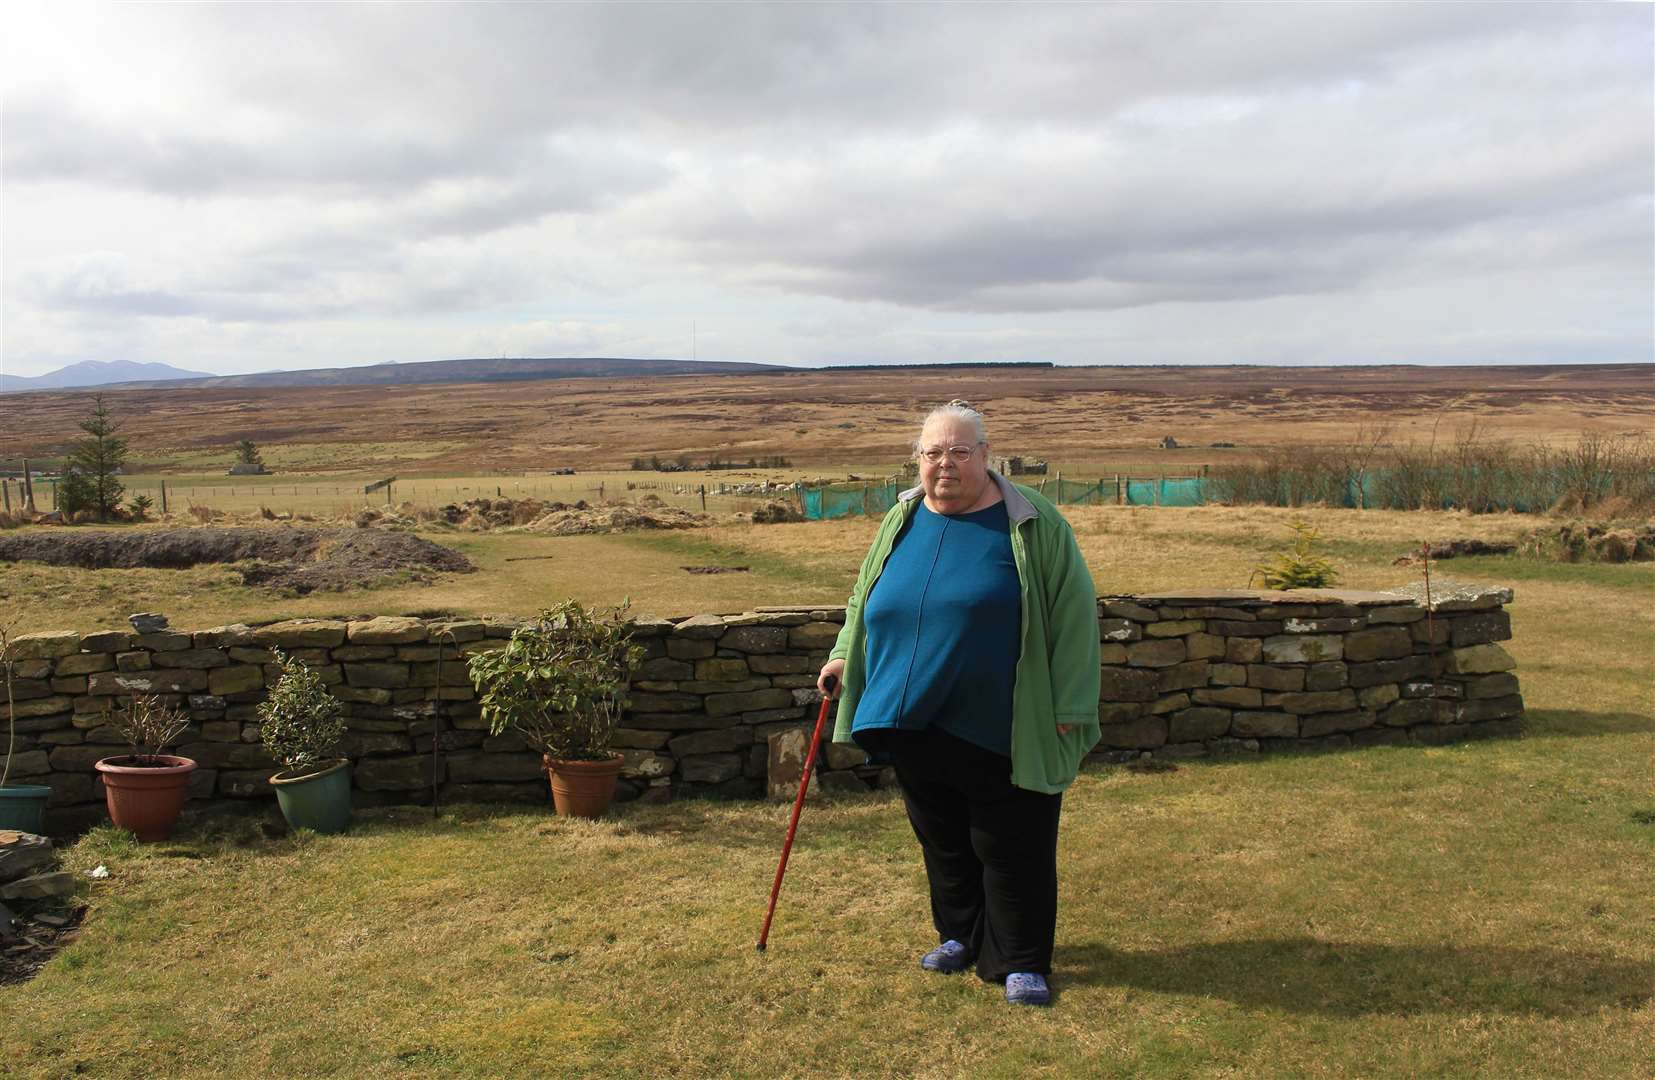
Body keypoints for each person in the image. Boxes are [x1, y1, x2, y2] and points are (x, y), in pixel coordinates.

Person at [817, 400, 1101, 1006]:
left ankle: (1021, 959)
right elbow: (863, 597)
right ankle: (958, 935)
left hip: (1005, 714)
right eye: (933, 452)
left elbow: (1073, 614)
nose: (945, 464)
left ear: (985, 456)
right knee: (941, 833)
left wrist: (1071, 702)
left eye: (959, 451)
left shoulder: (1033, 521)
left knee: (1011, 838)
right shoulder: (902, 517)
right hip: (912, 709)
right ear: (918, 460)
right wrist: (844, 653)